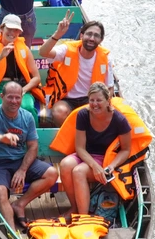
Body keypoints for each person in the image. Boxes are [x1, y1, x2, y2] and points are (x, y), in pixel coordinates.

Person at [0, 82, 58, 228]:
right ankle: (13, 234)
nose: (14, 101)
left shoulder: (27, 117)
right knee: (0, 192)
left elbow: (33, 146)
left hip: (19, 160)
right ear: (2, 97)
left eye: (17, 98)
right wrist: (1, 138)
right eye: (10, 97)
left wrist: (23, 169)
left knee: (52, 173)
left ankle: (19, 204)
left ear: (22, 98)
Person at [57, 83, 132, 217]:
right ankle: (75, 207)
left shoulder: (119, 120)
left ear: (108, 101)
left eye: (99, 100)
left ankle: (83, 217)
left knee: (79, 172)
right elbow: (80, 147)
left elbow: (126, 150)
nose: (94, 104)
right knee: (65, 165)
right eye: (92, 100)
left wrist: (111, 166)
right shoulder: (83, 115)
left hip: (107, 159)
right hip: (87, 155)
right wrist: (94, 165)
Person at [38, 14, 115, 127]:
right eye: (89, 34)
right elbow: (43, 52)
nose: (92, 38)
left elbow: (110, 87)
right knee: (59, 113)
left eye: (96, 36)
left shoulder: (105, 58)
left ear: (101, 40)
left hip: (91, 100)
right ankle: (67, 138)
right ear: (81, 35)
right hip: (66, 99)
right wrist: (58, 34)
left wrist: (104, 105)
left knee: (103, 117)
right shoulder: (67, 49)